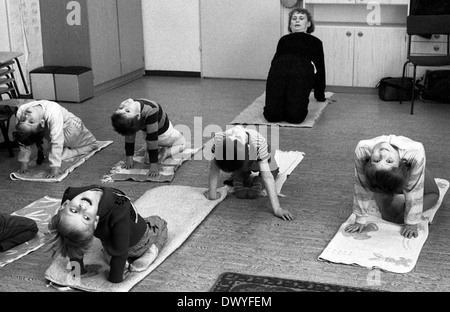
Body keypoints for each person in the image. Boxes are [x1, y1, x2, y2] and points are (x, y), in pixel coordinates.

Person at [48, 185, 168, 283]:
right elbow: (121, 251)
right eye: (86, 217)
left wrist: (77, 271)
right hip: (139, 242)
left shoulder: (70, 194)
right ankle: (151, 251)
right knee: (160, 223)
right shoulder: (120, 208)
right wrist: (115, 277)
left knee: (79, 235)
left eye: (73, 211)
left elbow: (72, 240)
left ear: (64, 205)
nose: (82, 207)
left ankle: (112, 257)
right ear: (95, 222)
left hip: (112, 244)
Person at [345, 135, 439, 239]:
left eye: (389, 161)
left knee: (433, 194)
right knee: (389, 214)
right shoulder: (363, 152)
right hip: (383, 178)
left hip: (409, 168)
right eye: (376, 160)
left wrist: (411, 222)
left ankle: (397, 194)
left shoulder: (415, 151)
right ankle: (388, 191)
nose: (383, 152)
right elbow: (361, 186)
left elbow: (415, 189)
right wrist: (360, 219)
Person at [205, 125, 294, 221]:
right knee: (238, 168)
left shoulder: (259, 143)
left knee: (272, 170)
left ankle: (256, 180)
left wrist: (277, 208)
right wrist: (212, 194)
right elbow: (214, 169)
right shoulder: (218, 140)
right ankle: (240, 175)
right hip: (240, 158)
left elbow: (267, 177)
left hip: (258, 153)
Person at [263, 8, 326, 124]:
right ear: (290, 24)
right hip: (279, 71)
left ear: (308, 24)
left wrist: (319, 95)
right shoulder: (283, 40)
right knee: (271, 116)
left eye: (301, 19)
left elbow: (320, 69)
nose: (297, 21)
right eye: (294, 18)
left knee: (295, 118)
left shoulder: (315, 42)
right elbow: (275, 61)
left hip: (301, 73)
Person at [14, 100, 98, 178]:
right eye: (31, 122)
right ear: (42, 123)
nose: (26, 116)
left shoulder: (22, 111)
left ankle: (66, 152)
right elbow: (24, 141)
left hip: (72, 128)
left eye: (24, 120)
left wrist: (55, 167)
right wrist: (23, 163)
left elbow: (56, 141)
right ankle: (67, 152)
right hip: (59, 133)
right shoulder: (49, 120)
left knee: (93, 144)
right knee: (50, 154)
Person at [111, 98, 186, 178]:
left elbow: (149, 139)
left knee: (149, 158)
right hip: (161, 135)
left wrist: (153, 165)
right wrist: (153, 165)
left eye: (122, 108)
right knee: (183, 143)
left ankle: (158, 151)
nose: (125, 105)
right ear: (138, 116)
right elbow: (151, 140)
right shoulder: (141, 109)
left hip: (155, 135)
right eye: (124, 110)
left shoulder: (142, 112)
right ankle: (165, 153)